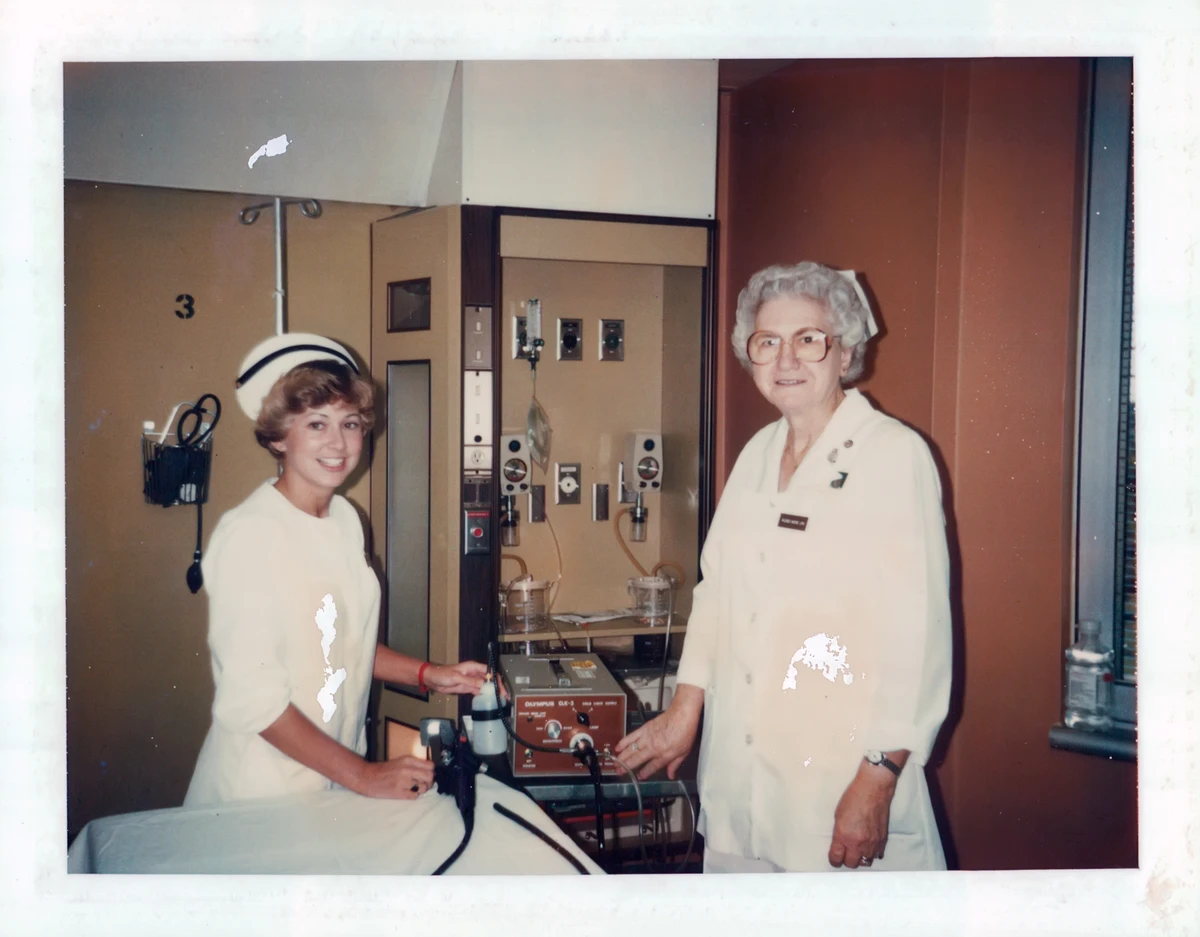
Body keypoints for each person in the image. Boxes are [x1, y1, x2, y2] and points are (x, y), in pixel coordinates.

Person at [614, 262, 952, 873]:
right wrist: (685, 708)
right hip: (740, 787)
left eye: (809, 338)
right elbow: (718, 592)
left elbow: (918, 635)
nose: (786, 358)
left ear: (845, 349)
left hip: (836, 787)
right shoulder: (757, 454)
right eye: (767, 342)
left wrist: (878, 779)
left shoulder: (894, 456)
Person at [185, 333, 487, 806]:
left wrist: (428, 674)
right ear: (278, 437)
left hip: (332, 779)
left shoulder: (345, 519)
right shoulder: (251, 535)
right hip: (261, 794)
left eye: (349, 423)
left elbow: (341, 643)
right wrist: (365, 776)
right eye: (316, 424)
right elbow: (251, 699)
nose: (338, 442)